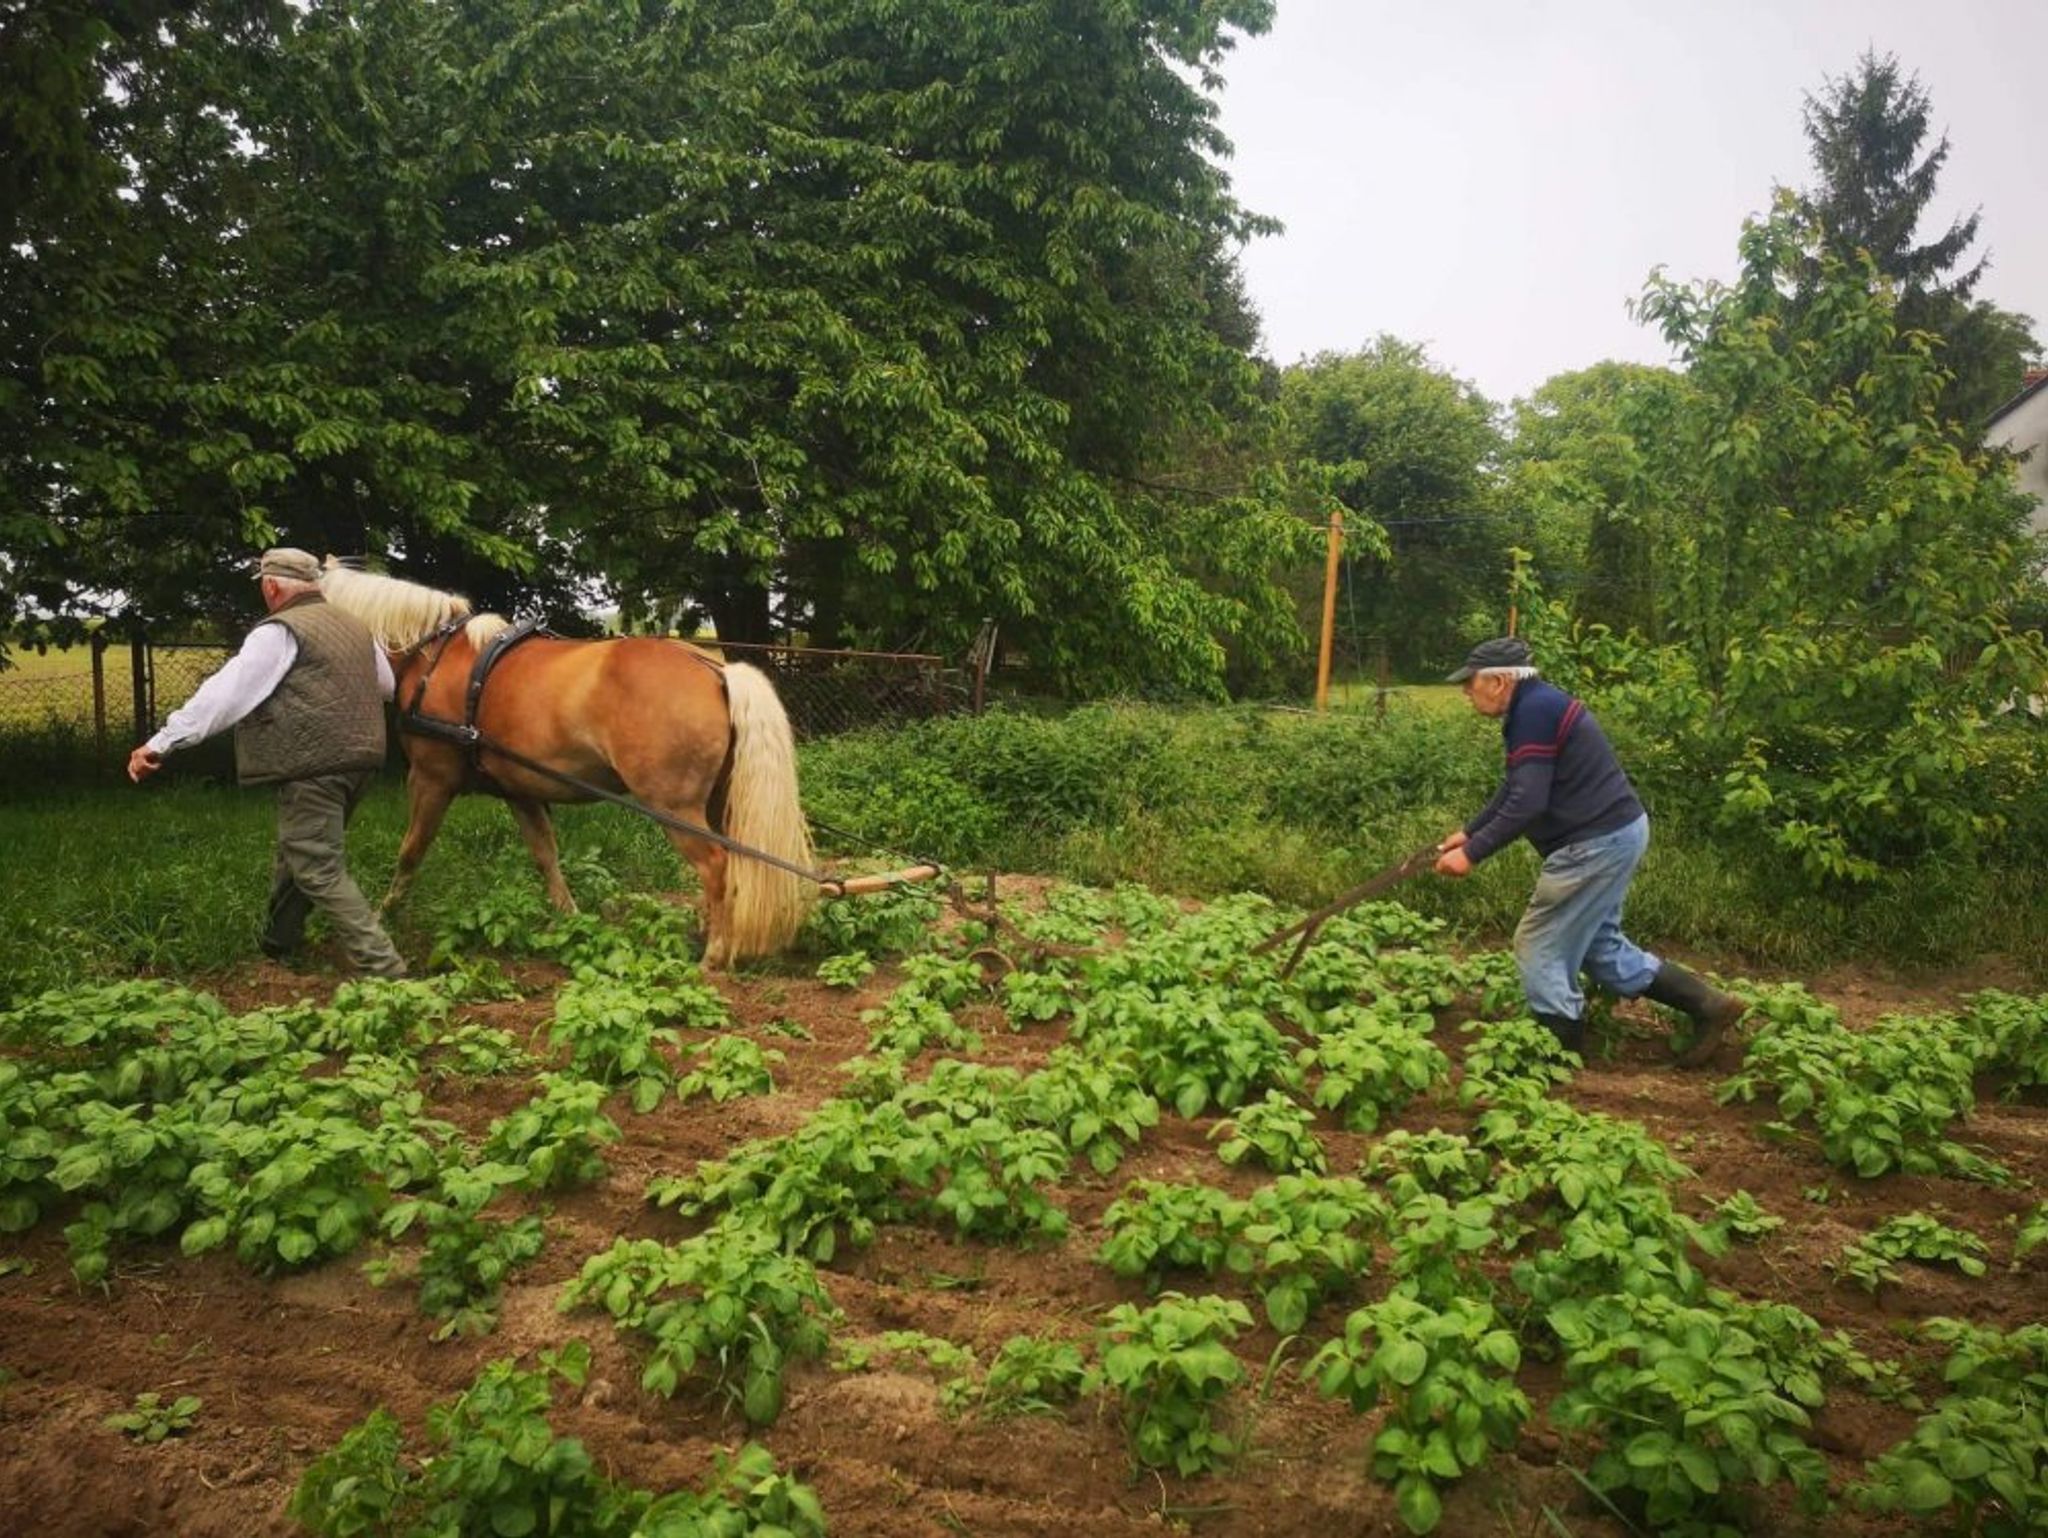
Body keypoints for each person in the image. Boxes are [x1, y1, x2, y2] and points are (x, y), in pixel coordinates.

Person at [1432, 635, 1740, 1065]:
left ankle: (1559, 1061)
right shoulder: (1535, 706)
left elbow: (1528, 802)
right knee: (1599, 949)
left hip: (1594, 843)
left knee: (1539, 944)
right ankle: (1710, 1007)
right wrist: (1470, 832)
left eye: (1471, 682)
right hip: (1615, 832)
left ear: (1499, 681)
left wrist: (1473, 853)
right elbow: (1517, 787)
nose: (1466, 691)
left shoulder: (1533, 712)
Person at [127, 548, 408, 978]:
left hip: (314, 763)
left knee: (317, 866)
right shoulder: (355, 626)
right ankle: (278, 947)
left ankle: (386, 969)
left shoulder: (280, 631)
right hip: (363, 760)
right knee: (298, 852)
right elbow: (386, 685)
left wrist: (162, 743)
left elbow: (226, 694)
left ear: (272, 585)